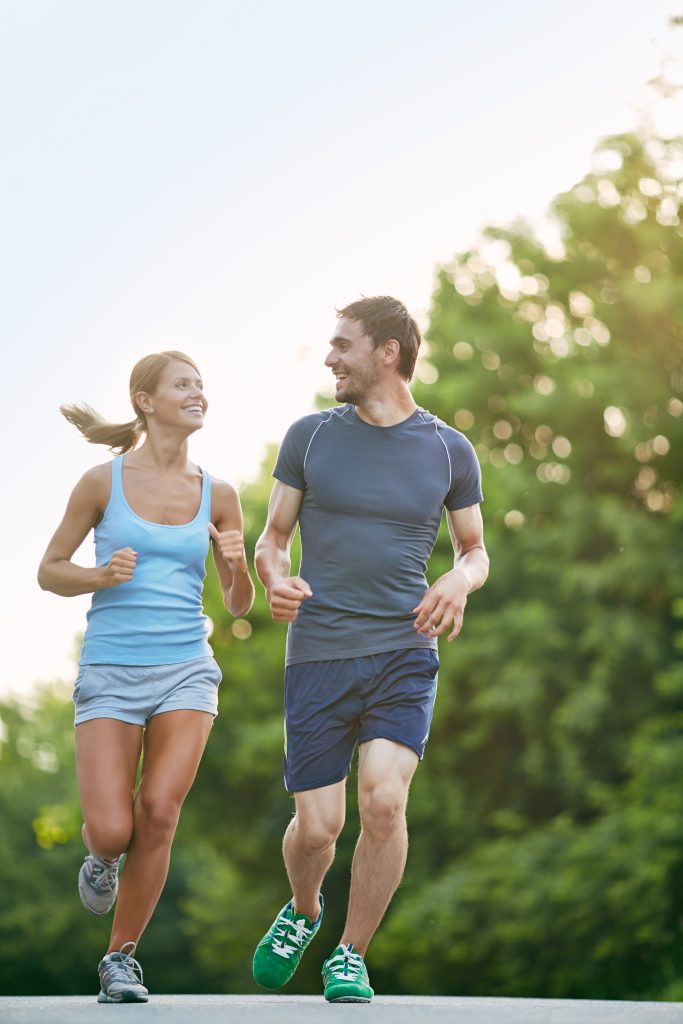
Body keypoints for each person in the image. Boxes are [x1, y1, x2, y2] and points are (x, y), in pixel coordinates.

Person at [251, 296, 489, 1002]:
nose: (330, 358)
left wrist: (457, 579)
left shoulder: (449, 448)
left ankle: (349, 953)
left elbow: (475, 551)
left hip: (402, 650)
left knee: (383, 802)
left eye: (341, 345)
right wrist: (274, 576)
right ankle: (303, 909)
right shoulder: (311, 437)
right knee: (318, 828)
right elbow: (271, 538)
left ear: (387, 352)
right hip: (320, 650)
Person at [37, 350, 254, 1003]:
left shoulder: (219, 495)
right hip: (110, 668)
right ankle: (100, 857)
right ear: (145, 400)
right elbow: (49, 569)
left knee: (158, 812)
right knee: (113, 830)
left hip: (187, 668)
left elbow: (240, 604)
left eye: (201, 385)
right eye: (182, 384)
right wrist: (98, 576)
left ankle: (120, 959)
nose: (197, 394)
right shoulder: (101, 484)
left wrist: (236, 565)